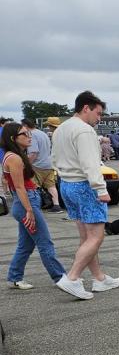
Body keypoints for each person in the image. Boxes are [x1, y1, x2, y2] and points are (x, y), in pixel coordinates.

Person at [51, 90, 119, 299]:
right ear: (86, 108)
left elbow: (54, 158)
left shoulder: (61, 129)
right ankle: (72, 278)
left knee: (86, 237)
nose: (99, 118)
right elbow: (90, 163)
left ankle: (99, 278)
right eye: (98, 113)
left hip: (66, 183)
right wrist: (101, 189)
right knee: (96, 237)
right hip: (84, 186)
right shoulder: (84, 130)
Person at [1, 123, 67, 290]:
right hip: (26, 203)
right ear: (13, 138)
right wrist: (29, 210)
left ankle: (14, 277)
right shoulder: (14, 158)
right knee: (45, 242)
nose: (29, 136)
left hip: (26, 200)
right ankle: (61, 278)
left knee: (26, 244)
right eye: (24, 134)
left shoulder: (14, 155)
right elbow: (19, 187)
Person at [22, 117, 63, 212]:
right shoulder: (43, 134)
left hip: (38, 165)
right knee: (51, 186)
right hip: (49, 164)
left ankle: (36, 206)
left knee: (34, 186)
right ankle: (56, 206)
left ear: (26, 126)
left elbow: (34, 153)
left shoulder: (31, 135)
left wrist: (27, 165)